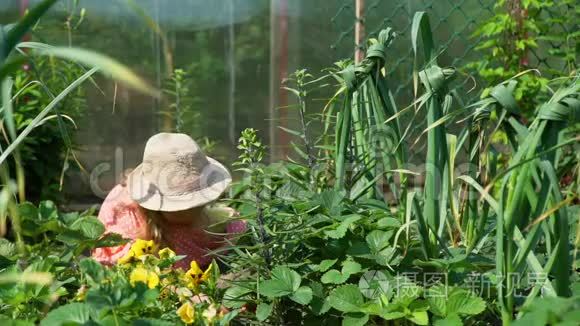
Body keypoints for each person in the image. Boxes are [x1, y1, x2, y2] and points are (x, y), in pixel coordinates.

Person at [92, 133, 245, 269]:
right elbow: (121, 270)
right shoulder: (126, 213)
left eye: (197, 204)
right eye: (184, 207)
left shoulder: (194, 221)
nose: (192, 210)